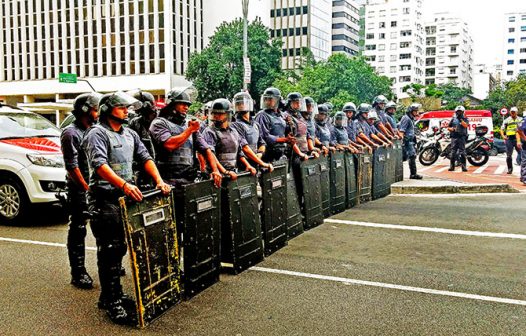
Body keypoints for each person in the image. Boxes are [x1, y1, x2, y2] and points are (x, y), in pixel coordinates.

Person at [82, 91, 171, 325]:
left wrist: (159, 180)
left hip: (125, 199)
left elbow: (145, 158)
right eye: (122, 107)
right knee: (110, 248)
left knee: (121, 248)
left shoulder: (131, 134)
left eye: (127, 107)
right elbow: (99, 165)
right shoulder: (97, 134)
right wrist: (123, 184)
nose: (127, 111)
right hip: (104, 199)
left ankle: (110, 294)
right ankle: (112, 301)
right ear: (107, 110)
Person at [60, 92, 102, 290]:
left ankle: (110, 265)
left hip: (95, 186)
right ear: (85, 110)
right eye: (95, 109)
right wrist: (87, 189)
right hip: (79, 188)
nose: (98, 112)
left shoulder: (95, 130)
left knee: (103, 227)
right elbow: (72, 167)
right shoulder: (71, 133)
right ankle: (78, 272)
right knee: (78, 228)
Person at [149, 88, 221, 190]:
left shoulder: (188, 125)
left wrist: (215, 170)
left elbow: (206, 149)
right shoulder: (159, 123)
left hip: (188, 181)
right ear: (172, 104)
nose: (186, 107)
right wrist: (190, 130)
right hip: (167, 182)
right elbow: (169, 145)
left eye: (188, 105)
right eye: (183, 104)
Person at [202, 98, 272, 178]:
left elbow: (240, 152)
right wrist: (225, 171)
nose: (216, 116)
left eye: (220, 114)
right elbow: (210, 154)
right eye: (214, 113)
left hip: (232, 173)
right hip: (217, 175)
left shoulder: (234, 131)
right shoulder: (209, 132)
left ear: (228, 114)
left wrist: (248, 165)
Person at [255, 87, 296, 163]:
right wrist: (284, 140)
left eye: (270, 99)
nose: (267, 101)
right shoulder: (262, 115)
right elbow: (264, 136)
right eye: (266, 99)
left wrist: (290, 125)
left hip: (281, 152)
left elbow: (288, 132)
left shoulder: (281, 115)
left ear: (278, 100)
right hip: (268, 153)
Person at [127, 89, 158, 188]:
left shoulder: (161, 120)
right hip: (142, 168)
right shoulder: (135, 122)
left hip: (161, 168)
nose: (135, 110)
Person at [231, 91, 269, 168]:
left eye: (243, 103)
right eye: (238, 103)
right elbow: (244, 148)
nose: (241, 105)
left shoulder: (256, 124)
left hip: (256, 161)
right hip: (243, 164)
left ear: (250, 104)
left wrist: (260, 153)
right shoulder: (235, 125)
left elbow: (262, 143)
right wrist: (261, 162)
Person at [399, 103, 423, 179]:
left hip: (410, 141)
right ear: (410, 111)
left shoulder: (411, 119)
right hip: (406, 142)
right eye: (415, 111)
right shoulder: (406, 118)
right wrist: (401, 141)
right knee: (410, 156)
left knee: (408, 157)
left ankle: (413, 174)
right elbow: (402, 130)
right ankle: (413, 174)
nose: (416, 112)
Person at [500, 106, 523, 174]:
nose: (512, 113)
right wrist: (503, 136)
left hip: (518, 138)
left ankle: (522, 168)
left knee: (521, 153)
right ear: (510, 112)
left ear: (516, 112)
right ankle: (510, 169)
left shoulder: (520, 119)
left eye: (514, 112)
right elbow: (501, 129)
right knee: (509, 155)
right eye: (511, 112)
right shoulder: (507, 120)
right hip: (509, 139)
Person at [447, 105, 469, 172]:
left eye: (460, 112)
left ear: (463, 112)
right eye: (457, 112)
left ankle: (464, 167)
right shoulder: (453, 119)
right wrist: (452, 129)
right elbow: (448, 127)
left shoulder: (465, 119)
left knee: (462, 152)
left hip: (461, 137)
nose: (458, 113)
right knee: (453, 152)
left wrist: (461, 120)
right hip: (454, 137)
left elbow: (465, 125)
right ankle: (452, 166)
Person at [517, 118, 526, 185]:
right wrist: (525, 138)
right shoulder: (524, 120)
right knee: (525, 161)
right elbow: (518, 130)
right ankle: (524, 178)